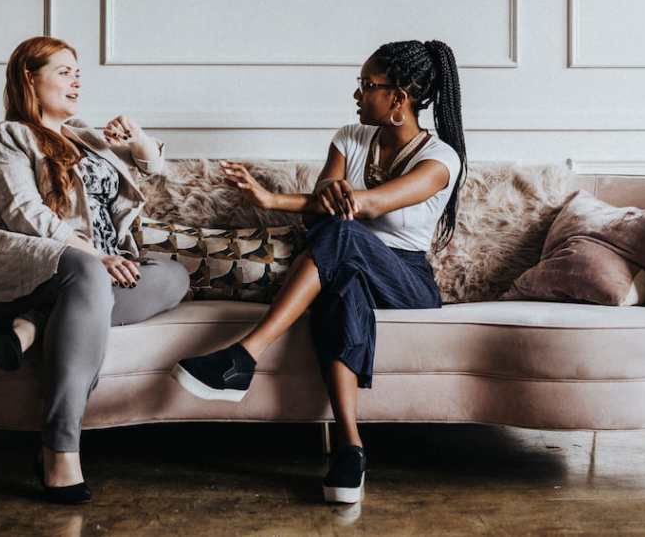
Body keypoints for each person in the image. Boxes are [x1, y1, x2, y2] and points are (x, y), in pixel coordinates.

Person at [171, 40, 467, 504]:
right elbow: (323, 201)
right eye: (359, 84)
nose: (357, 94)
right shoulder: (350, 136)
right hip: (347, 261)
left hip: (405, 280)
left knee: (342, 230)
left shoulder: (441, 160)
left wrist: (300, 198)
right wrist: (294, 199)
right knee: (340, 282)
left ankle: (246, 354)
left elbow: (362, 205)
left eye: (368, 85)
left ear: (398, 99)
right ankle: (350, 448)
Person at [0, 36, 190, 504]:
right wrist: (95, 257)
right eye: (63, 71)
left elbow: (155, 172)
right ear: (29, 79)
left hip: (93, 270)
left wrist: (138, 141)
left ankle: (33, 321)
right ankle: (59, 448)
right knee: (85, 271)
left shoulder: (83, 136)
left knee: (173, 276)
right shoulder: (6, 136)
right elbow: (25, 213)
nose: (76, 79)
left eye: (78, 71)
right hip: (30, 260)